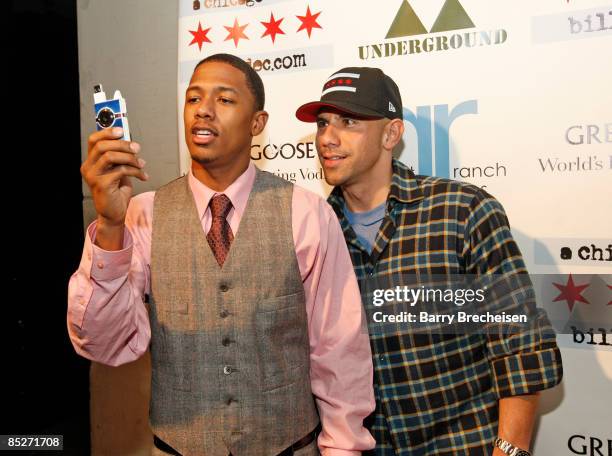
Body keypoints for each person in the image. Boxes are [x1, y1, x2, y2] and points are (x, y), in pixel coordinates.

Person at [68, 54, 376, 456]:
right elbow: (104, 344)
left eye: (224, 100)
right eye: (193, 99)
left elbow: (338, 347)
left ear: (257, 124)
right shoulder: (142, 215)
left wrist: (344, 449)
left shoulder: (306, 213)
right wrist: (109, 226)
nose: (204, 111)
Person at [296, 67, 563, 456]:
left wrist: (510, 450)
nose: (327, 139)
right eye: (323, 123)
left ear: (391, 134)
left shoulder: (462, 211)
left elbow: (520, 344)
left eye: (348, 121)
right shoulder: (312, 229)